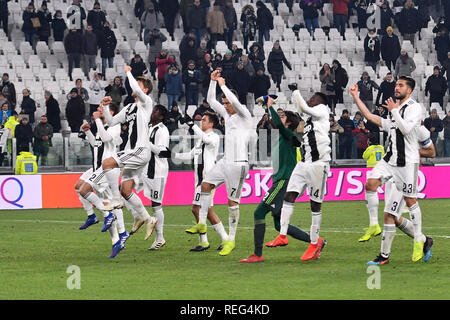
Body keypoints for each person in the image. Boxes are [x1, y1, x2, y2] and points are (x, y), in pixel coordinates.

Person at [350, 76, 431, 264]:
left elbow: (405, 129)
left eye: (400, 85)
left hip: (406, 163)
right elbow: (371, 118)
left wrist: (394, 111)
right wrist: (356, 97)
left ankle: (420, 238)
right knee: (370, 185)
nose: (396, 87)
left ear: (409, 90)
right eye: (396, 84)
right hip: (389, 161)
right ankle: (376, 234)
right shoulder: (397, 109)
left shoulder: (414, 108)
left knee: (408, 202)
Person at [241, 96, 312, 263]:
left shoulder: (289, 135)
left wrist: (269, 105)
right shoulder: (284, 135)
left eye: (283, 117)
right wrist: (267, 108)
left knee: (259, 212)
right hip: (281, 181)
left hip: (282, 182)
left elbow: (278, 124)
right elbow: (276, 124)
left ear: (288, 124)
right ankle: (316, 242)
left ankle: (257, 255)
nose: (279, 119)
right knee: (280, 224)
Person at [193, 69, 252, 256]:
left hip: (238, 163)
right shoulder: (228, 115)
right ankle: (202, 224)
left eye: (227, 103)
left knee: (232, 202)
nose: (225, 106)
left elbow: (234, 101)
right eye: (224, 103)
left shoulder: (244, 114)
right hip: (225, 162)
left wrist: (223, 85)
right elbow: (211, 101)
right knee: (205, 185)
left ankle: (231, 240)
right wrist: (212, 82)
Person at [268, 86, 330, 261]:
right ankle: (282, 234)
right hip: (304, 163)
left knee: (315, 205)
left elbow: (303, 107)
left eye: (312, 99)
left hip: (319, 164)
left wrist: (295, 92)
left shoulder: (322, 110)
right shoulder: (311, 119)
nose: (309, 100)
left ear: (320, 103)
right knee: (289, 195)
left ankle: (314, 242)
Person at [100, 66, 158, 243]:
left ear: (145, 89)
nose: (134, 88)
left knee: (107, 164)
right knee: (126, 190)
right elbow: (111, 121)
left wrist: (128, 72)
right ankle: (147, 218)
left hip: (140, 151)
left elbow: (137, 88)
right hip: (132, 151)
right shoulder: (130, 107)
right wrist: (105, 106)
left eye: (138, 85)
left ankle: (116, 201)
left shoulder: (146, 103)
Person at [77, 103, 130, 258]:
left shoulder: (114, 126)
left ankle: (120, 234)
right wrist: (88, 132)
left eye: (101, 108)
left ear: (110, 111)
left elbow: (106, 138)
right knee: (82, 188)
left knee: (109, 203)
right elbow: (97, 144)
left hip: (107, 168)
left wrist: (97, 121)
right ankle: (116, 237)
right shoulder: (103, 126)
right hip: (98, 167)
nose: (98, 110)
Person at [178, 112, 230, 251]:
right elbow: (191, 154)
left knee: (205, 210)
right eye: (201, 120)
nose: (202, 122)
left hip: (209, 180)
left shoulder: (214, 137)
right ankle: (207, 241)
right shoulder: (200, 139)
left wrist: (191, 126)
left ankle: (221, 239)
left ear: (212, 124)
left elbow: (206, 139)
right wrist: (171, 155)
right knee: (198, 210)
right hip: (200, 181)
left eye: (204, 120)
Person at [144, 104, 171, 250]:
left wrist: (146, 143)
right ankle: (142, 218)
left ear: (160, 116)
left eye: (155, 111)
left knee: (156, 205)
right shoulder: (148, 127)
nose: (152, 112)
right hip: (145, 170)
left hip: (157, 172)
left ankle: (160, 238)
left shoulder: (162, 130)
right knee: (125, 189)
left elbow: (164, 152)